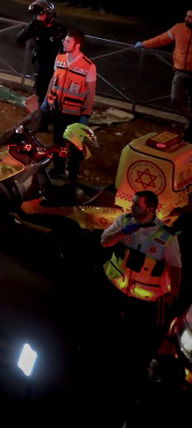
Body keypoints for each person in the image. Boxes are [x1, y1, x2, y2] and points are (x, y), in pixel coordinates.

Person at [100, 190, 182, 342]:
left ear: (150, 209)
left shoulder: (166, 236)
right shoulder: (124, 221)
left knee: (135, 337)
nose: (132, 207)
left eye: (137, 205)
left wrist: (173, 294)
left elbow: (175, 267)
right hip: (115, 288)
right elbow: (105, 242)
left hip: (143, 302)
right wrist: (123, 233)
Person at [40, 27, 96, 180]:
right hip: (57, 109)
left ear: (77, 45)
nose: (64, 42)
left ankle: (72, 173)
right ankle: (58, 168)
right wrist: (46, 100)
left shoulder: (88, 66)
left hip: (74, 113)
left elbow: (90, 93)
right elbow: (53, 81)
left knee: (75, 145)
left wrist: (86, 114)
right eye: (65, 40)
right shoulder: (60, 58)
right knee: (58, 141)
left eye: (68, 41)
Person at [135, 10, 192, 137]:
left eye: (190, 17)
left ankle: (188, 134)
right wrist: (144, 44)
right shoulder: (179, 28)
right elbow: (162, 39)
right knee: (176, 99)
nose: (187, 19)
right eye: (186, 16)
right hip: (180, 71)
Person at [17, 0, 65, 105]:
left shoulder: (60, 30)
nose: (37, 17)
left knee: (51, 92)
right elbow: (20, 39)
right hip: (39, 63)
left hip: (55, 66)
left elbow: (66, 51)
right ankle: (40, 109)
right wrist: (30, 27)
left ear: (49, 15)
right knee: (40, 90)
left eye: (39, 14)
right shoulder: (36, 26)